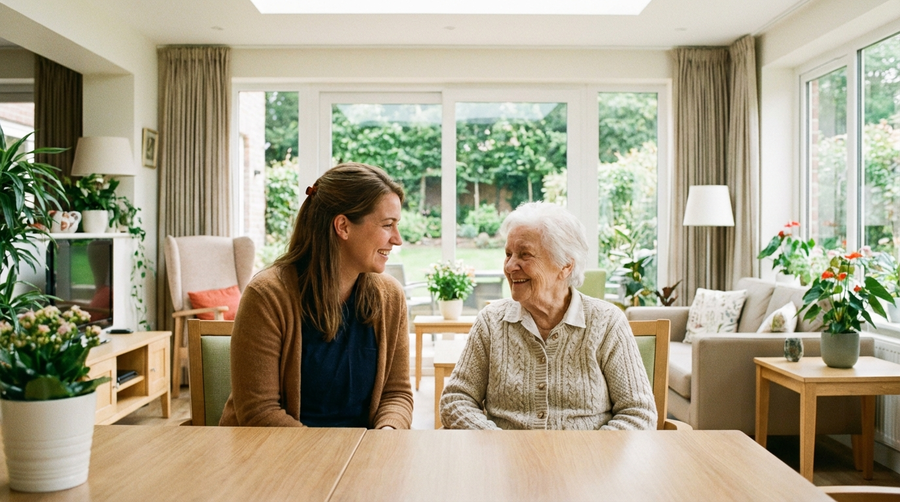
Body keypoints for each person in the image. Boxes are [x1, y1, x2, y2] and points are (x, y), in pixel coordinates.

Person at [219, 163, 414, 429]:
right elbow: (259, 413)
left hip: (364, 454)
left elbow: (397, 394)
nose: (397, 239)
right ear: (343, 226)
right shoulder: (266, 297)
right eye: (388, 225)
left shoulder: (390, 297)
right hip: (279, 456)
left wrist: (387, 434)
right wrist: (334, 458)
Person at [440, 202, 656, 430]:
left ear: (565, 266)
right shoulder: (491, 321)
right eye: (508, 254)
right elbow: (456, 400)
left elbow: (638, 413)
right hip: (505, 461)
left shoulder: (607, 322)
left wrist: (590, 458)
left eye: (525, 255)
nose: (510, 266)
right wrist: (496, 442)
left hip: (586, 463)